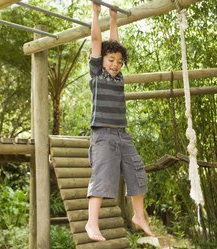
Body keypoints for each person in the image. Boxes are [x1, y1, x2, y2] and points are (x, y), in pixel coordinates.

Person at [85, 2, 155, 241]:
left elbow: (115, 45)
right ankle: (91, 224)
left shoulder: (118, 76)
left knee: (137, 171)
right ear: (102, 59)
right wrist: (96, 13)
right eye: (111, 59)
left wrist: (113, 19)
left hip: (123, 135)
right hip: (102, 135)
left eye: (119, 61)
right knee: (102, 177)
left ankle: (138, 216)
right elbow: (98, 41)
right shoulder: (97, 72)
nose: (115, 64)